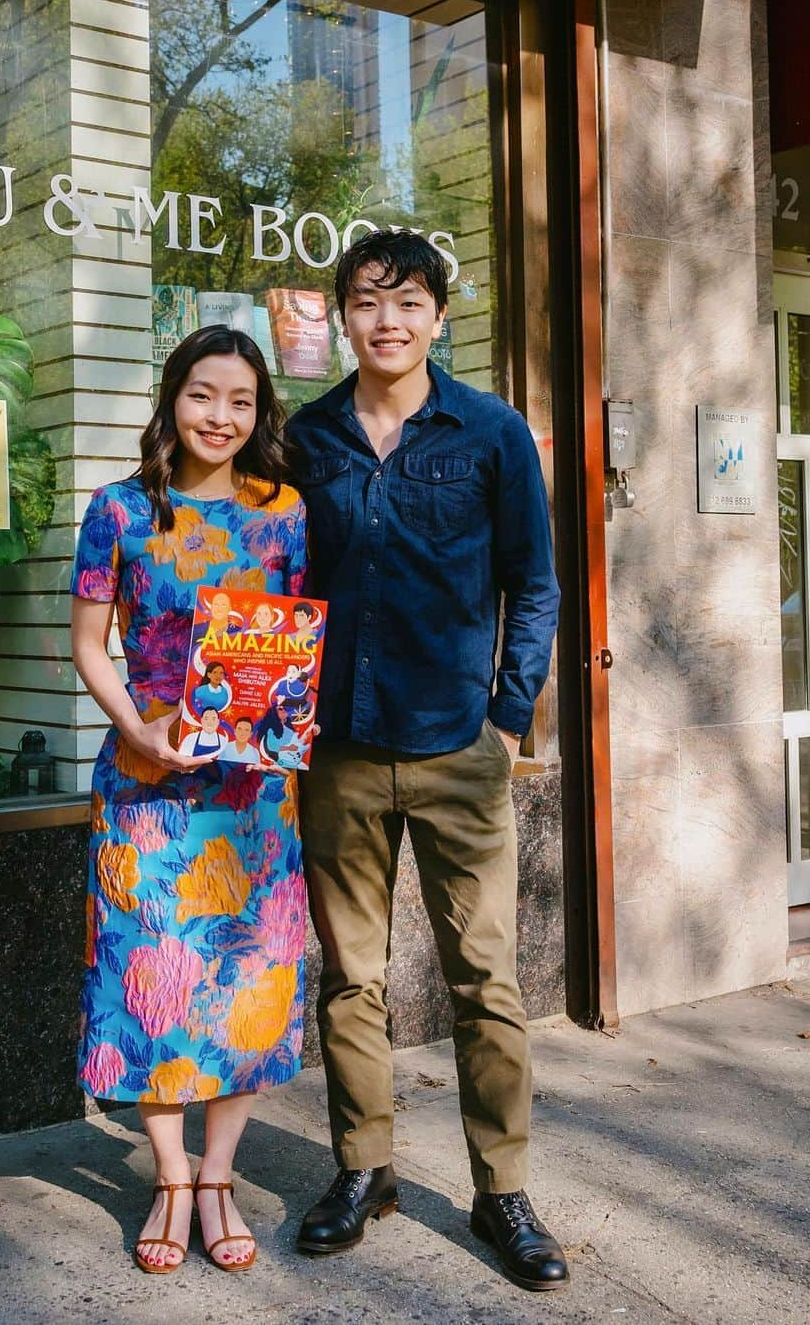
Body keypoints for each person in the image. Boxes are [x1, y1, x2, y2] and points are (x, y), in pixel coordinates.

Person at [288, 229, 566, 1291]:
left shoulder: (491, 434)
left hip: (458, 747)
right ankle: (365, 1169)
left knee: (485, 979)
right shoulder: (308, 440)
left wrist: (506, 716)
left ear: (439, 318)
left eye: (407, 303)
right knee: (351, 980)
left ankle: (503, 1189)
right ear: (344, 318)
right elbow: (274, 579)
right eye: (367, 302)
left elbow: (532, 583)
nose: (387, 321)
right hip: (340, 753)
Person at [70, 326, 308, 1275]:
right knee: (149, 985)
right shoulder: (121, 512)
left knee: (244, 983)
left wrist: (295, 717)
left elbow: (291, 640)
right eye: (203, 396)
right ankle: (168, 1178)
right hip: (147, 786)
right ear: (172, 401)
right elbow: (91, 645)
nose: (221, 417)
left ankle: (219, 1175)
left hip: (253, 792)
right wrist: (137, 730)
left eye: (241, 401)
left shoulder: (283, 511)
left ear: (260, 414)